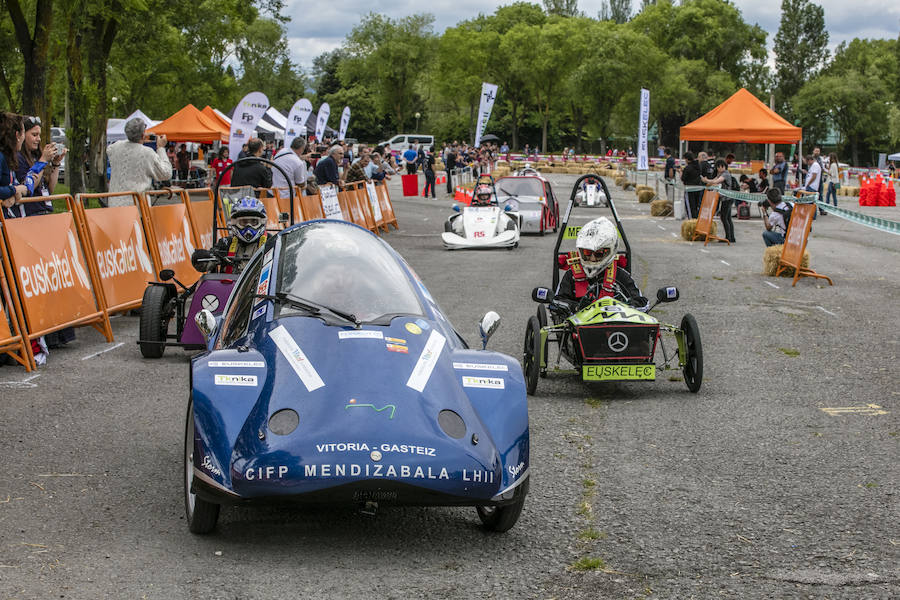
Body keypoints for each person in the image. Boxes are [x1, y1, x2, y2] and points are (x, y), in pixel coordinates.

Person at [555, 217, 648, 311]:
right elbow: (558, 301)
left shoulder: (620, 275)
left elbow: (641, 303)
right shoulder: (571, 275)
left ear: (610, 251)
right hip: (579, 322)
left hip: (615, 322)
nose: (592, 258)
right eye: (587, 253)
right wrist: (576, 306)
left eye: (598, 254)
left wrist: (622, 306)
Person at [191, 196, 267, 275]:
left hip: (261, 285)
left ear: (261, 222)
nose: (248, 227)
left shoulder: (271, 242)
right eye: (244, 222)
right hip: (230, 286)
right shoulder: (226, 243)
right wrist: (204, 257)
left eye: (253, 222)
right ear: (234, 223)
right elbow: (204, 265)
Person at [106, 118, 171, 205]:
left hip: (114, 205)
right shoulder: (147, 153)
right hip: (137, 208)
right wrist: (161, 148)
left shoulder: (115, 147)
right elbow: (166, 173)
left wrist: (133, 138)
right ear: (143, 134)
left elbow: (110, 149)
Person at [16, 116, 64, 216]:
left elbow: (49, 189)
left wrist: (56, 163)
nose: (39, 139)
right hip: (30, 213)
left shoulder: (36, 155)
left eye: (39, 135)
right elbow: (29, 187)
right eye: (34, 135)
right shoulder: (18, 157)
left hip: (46, 209)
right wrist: (43, 161)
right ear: (23, 135)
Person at [702, 158, 736, 244]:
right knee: (727, 218)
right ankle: (731, 237)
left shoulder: (726, 174)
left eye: (720, 167)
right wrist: (707, 182)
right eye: (717, 167)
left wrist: (707, 181)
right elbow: (714, 181)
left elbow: (716, 181)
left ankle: (728, 237)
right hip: (726, 198)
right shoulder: (720, 174)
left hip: (727, 199)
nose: (718, 169)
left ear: (723, 166)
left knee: (724, 217)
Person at [680, 152, 703, 218]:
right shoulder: (698, 166)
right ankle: (695, 219)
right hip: (698, 188)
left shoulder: (687, 168)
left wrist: (681, 172)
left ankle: (691, 220)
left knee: (690, 207)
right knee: (695, 206)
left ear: (687, 159)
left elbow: (683, 178)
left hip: (689, 189)